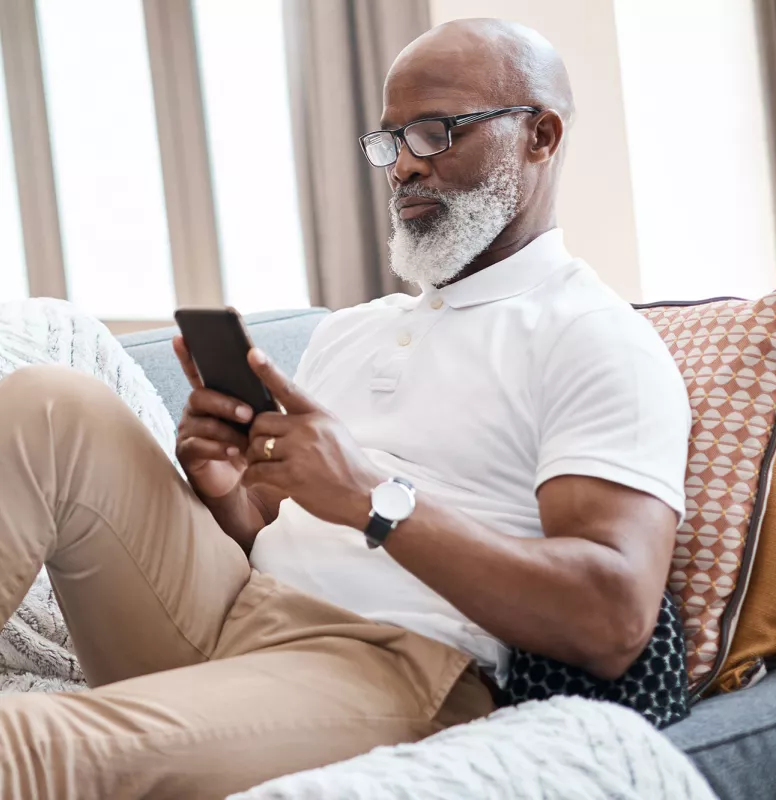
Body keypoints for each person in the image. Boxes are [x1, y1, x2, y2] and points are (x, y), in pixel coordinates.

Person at [0, 18, 690, 800]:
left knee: (25, 744)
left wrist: (374, 500)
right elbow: (275, 534)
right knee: (50, 402)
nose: (401, 168)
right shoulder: (354, 331)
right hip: (235, 615)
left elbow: (612, 619)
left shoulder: (594, 339)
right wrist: (228, 493)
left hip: (396, 665)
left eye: (434, 133)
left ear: (541, 134)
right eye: (389, 140)